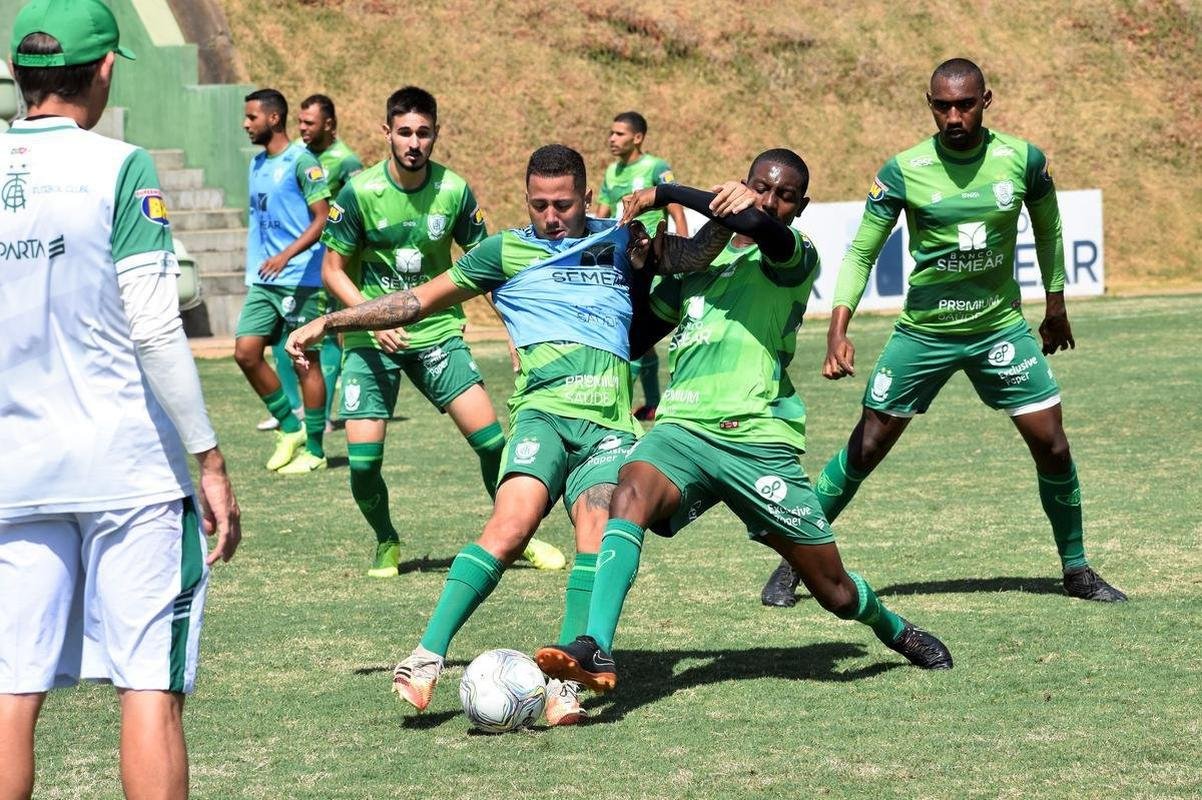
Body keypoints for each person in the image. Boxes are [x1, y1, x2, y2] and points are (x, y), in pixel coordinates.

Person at [287, 144, 738, 724]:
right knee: (508, 528)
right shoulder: (503, 251)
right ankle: (425, 657)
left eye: (564, 204)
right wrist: (331, 320)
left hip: (607, 424)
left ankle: (565, 683)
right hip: (542, 416)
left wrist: (706, 197)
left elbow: (702, 250)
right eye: (539, 204)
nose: (551, 216)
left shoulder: (626, 240)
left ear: (588, 198)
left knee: (595, 540)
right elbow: (413, 301)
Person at [535, 149, 954, 695]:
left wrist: (666, 193)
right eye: (761, 187)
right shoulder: (698, 267)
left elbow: (756, 224)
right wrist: (640, 268)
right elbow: (637, 338)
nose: (770, 201)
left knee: (835, 592)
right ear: (743, 183)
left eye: (784, 195)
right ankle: (596, 647)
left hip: (756, 440)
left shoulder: (795, 256)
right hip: (682, 432)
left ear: (800, 208)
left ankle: (892, 627)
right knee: (628, 492)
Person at [759, 59, 1126, 607]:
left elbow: (1048, 228)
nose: (953, 116)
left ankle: (1076, 569)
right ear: (930, 104)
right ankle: (793, 563)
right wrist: (838, 329)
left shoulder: (1023, 160)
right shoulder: (904, 170)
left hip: (998, 328)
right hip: (924, 334)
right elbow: (863, 250)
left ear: (986, 100)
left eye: (965, 104)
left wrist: (1055, 305)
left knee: (1052, 443)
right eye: (941, 105)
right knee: (866, 446)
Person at [0, 2, 241, 797]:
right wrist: (208, 457)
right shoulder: (121, 166)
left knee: (10, 692)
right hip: (128, 473)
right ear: (104, 70)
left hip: (15, 474)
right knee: (148, 686)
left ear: (18, 74)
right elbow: (155, 328)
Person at [317, 87, 563, 577]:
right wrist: (372, 317)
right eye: (404, 132)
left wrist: (515, 330)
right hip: (372, 339)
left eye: (423, 133)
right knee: (363, 463)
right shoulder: (359, 192)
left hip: (438, 333)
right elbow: (333, 269)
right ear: (387, 132)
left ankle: (518, 536)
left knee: (493, 444)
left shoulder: (454, 190)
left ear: (435, 135)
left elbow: (488, 265)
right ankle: (386, 538)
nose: (414, 142)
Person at [234, 88, 331, 474]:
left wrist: (285, 255)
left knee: (306, 361)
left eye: (252, 117)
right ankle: (291, 429)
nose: (246, 124)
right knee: (246, 352)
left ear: (273, 118)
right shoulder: (257, 164)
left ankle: (317, 450)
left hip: (299, 278)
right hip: (263, 279)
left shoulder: (302, 162)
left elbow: (322, 217)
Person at [258, 93, 364, 433]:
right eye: (300, 122)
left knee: (327, 336)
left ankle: (324, 413)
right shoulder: (301, 159)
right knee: (288, 334)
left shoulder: (346, 162)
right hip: (302, 263)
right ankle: (294, 407)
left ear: (329, 124)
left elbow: (360, 210)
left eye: (309, 123)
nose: (301, 128)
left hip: (331, 261)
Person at [597, 111, 688, 422]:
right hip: (623, 258)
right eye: (611, 133)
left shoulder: (656, 167)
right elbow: (602, 212)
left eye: (619, 134)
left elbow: (674, 202)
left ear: (638, 138)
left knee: (633, 327)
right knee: (635, 332)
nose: (612, 139)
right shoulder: (610, 172)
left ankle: (618, 401)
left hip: (652, 260)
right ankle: (652, 403)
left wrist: (683, 237)